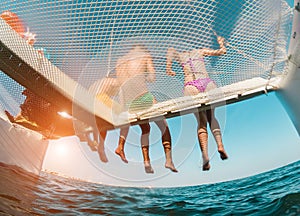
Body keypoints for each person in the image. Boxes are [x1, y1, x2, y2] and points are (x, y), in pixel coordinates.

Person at [166, 36, 228, 171]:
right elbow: (222, 51)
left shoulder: (181, 55)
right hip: (206, 82)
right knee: (212, 117)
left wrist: (168, 67)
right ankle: (220, 145)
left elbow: (170, 51)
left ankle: (205, 155)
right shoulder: (200, 51)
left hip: (190, 86)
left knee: (201, 122)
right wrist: (220, 42)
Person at [114, 44, 178, 173]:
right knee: (163, 126)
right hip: (144, 98)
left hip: (128, 104)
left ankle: (141, 159)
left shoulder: (119, 61)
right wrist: (146, 75)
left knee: (145, 129)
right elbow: (152, 78)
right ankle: (169, 160)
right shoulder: (145, 56)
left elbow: (120, 84)